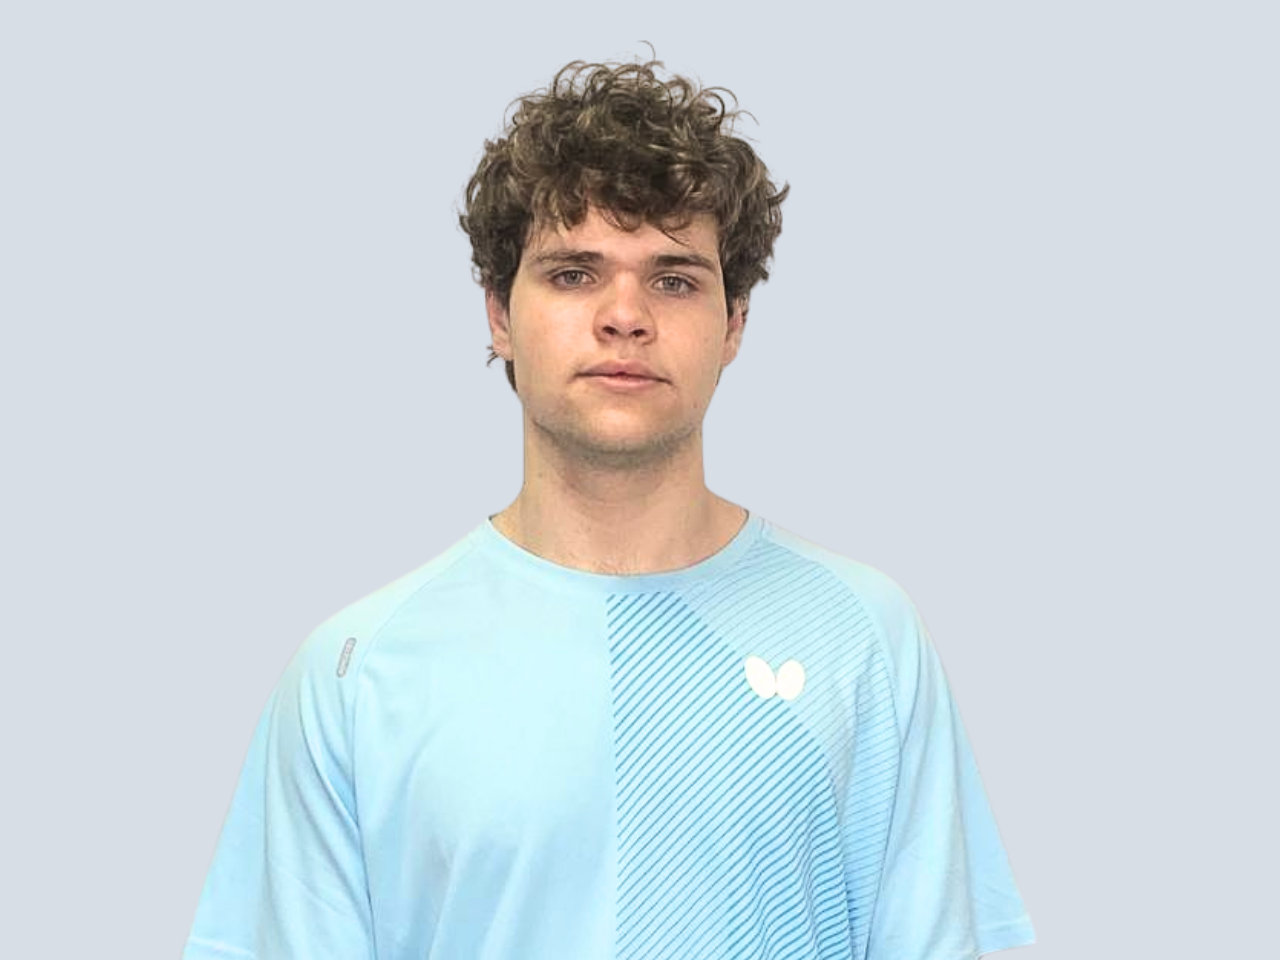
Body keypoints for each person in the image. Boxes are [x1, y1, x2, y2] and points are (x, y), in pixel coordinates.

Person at [184, 56, 1035, 960]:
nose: (625, 316)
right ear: (499, 316)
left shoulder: (865, 637)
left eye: (674, 279)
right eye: (573, 274)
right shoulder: (355, 672)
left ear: (734, 325)